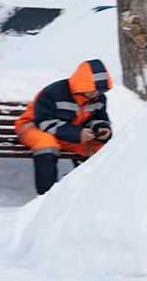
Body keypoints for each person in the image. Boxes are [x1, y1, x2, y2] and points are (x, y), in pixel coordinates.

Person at [15, 59, 113, 195]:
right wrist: (77, 133)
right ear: (81, 84)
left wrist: (101, 129)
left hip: (65, 133)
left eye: (100, 91)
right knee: (46, 143)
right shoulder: (54, 92)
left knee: (104, 149)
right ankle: (46, 194)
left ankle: (102, 191)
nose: (95, 95)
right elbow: (44, 121)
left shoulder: (99, 98)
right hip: (33, 126)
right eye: (92, 91)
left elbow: (98, 117)